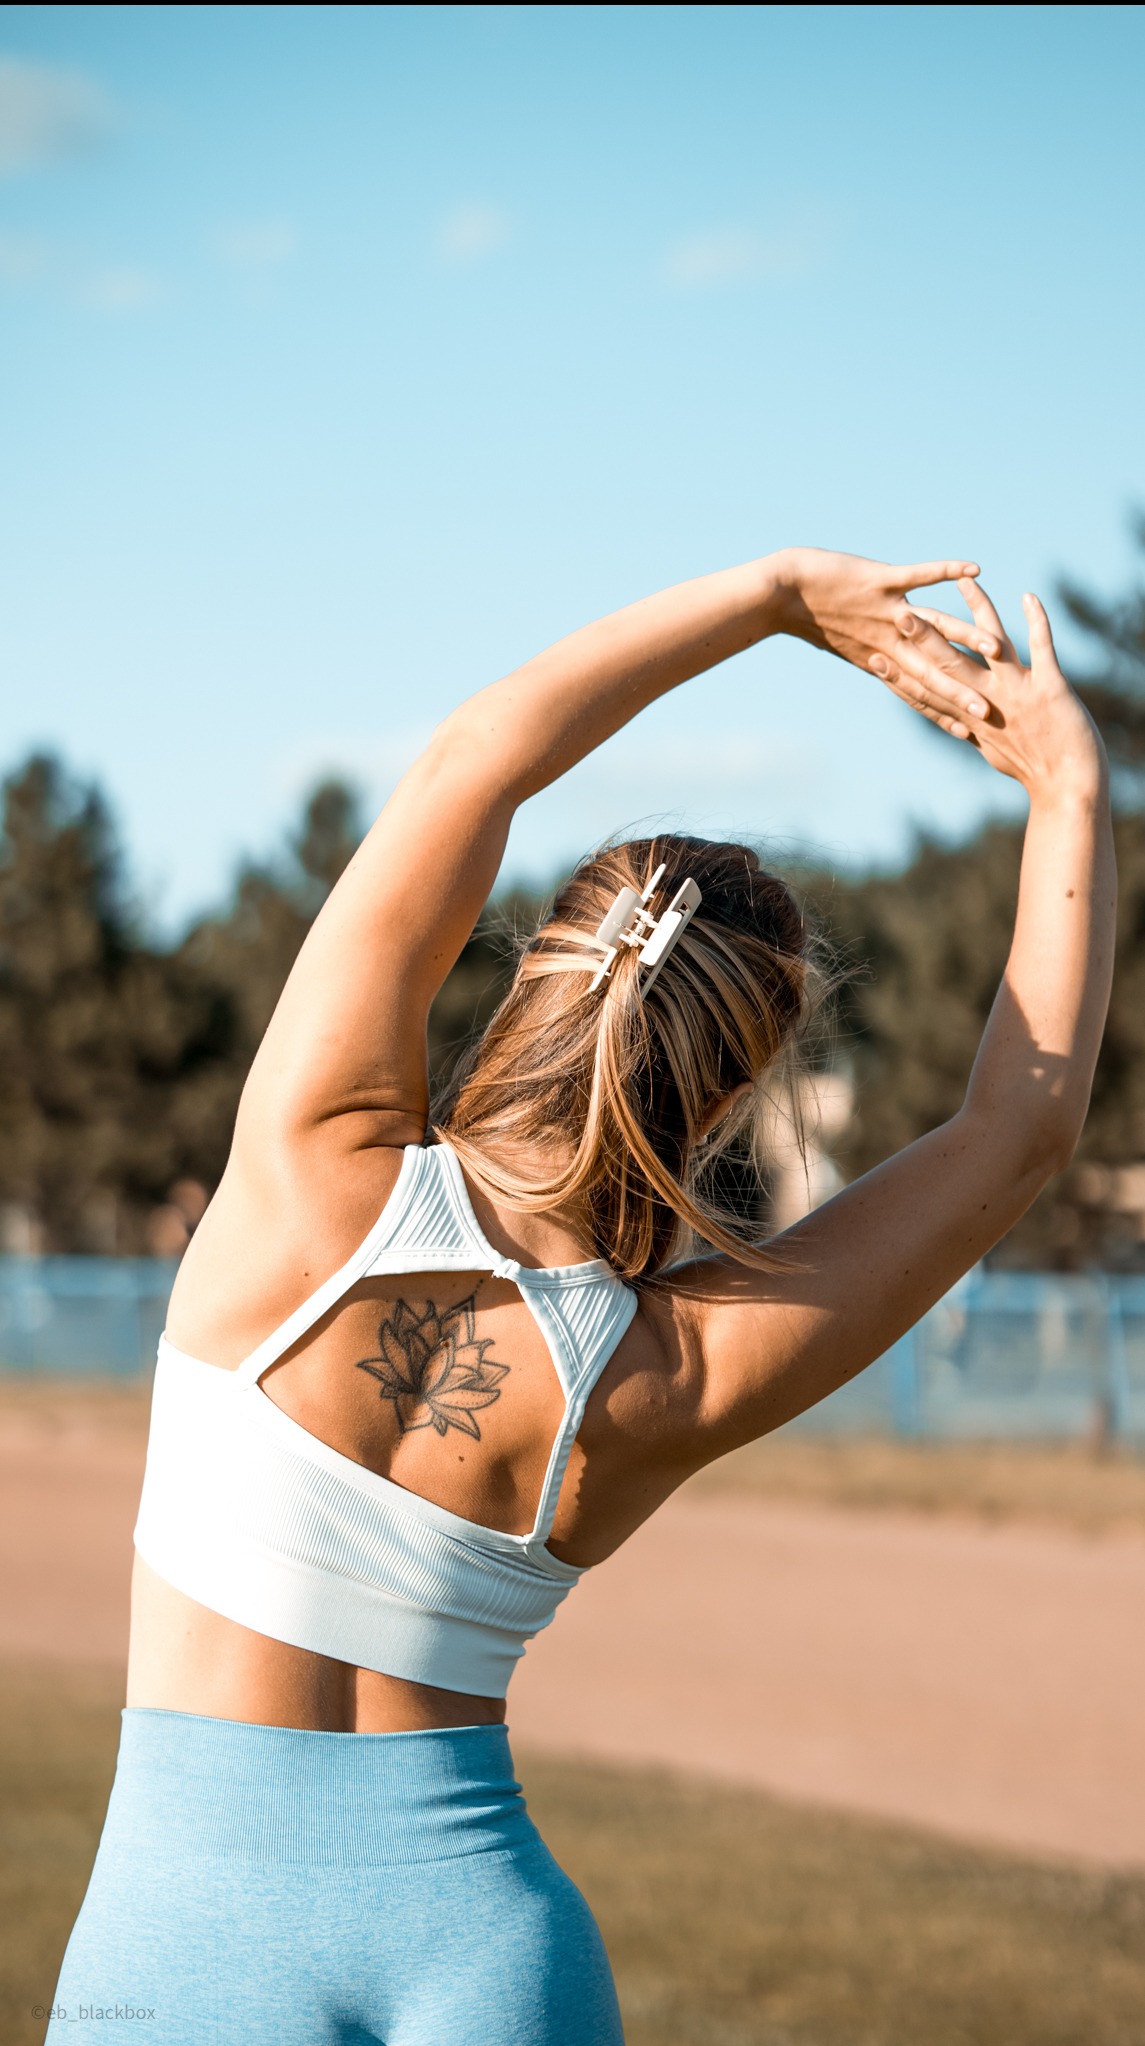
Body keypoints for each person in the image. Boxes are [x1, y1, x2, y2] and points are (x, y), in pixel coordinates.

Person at [48, 547, 1114, 2044]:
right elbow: (1019, 1128)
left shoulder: (308, 1160)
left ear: (544, 963)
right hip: (490, 1961)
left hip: (187, 1952)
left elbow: (477, 758)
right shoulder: (667, 1370)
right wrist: (1069, 786)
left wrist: (776, 595)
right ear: (730, 1093)